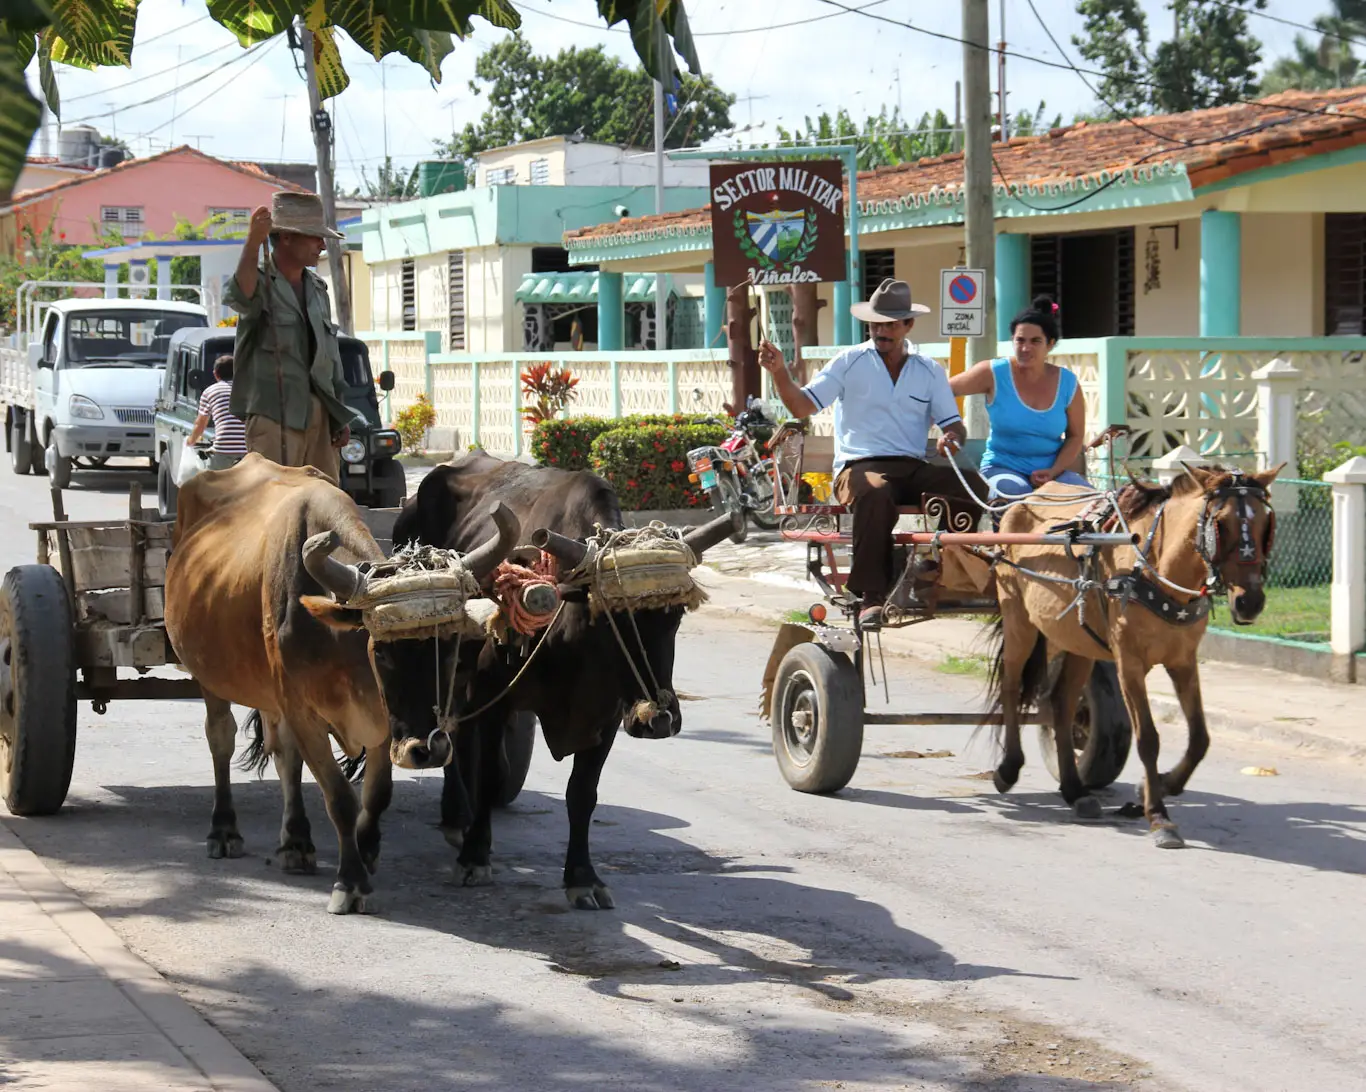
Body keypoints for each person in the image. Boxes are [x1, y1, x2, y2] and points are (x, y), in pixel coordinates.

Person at [759, 278, 983, 629]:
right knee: (876, 492)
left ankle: (939, 569)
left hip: (911, 468)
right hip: (858, 467)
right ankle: (871, 596)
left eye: (891, 324)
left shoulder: (929, 370)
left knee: (972, 486)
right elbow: (802, 406)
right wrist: (780, 373)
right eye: (877, 323)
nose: (882, 330)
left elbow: (953, 424)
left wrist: (952, 436)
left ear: (908, 326)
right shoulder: (849, 362)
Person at [226, 191, 362, 481]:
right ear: (286, 237)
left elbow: (329, 358)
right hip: (275, 415)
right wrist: (252, 241)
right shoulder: (259, 279)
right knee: (273, 504)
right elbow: (239, 296)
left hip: (320, 417)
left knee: (325, 504)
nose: (322, 245)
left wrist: (338, 415)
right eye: (314, 237)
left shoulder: (317, 288)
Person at [950, 295, 1088, 500]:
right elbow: (942, 391)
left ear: (1050, 344)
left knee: (1090, 502)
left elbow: (1076, 436)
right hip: (1002, 468)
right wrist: (951, 427)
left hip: (1053, 472)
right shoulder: (993, 372)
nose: (1025, 348)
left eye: (1035, 341)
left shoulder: (1067, 383)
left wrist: (1054, 471)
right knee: (1014, 495)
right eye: (1020, 340)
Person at [186, 354, 248, 470]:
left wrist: (191, 441)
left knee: (213, 485)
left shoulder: (210, 392)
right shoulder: (248, 390)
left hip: (223, 451)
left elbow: (200, 423)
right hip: (249, 452)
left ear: (215, 374)